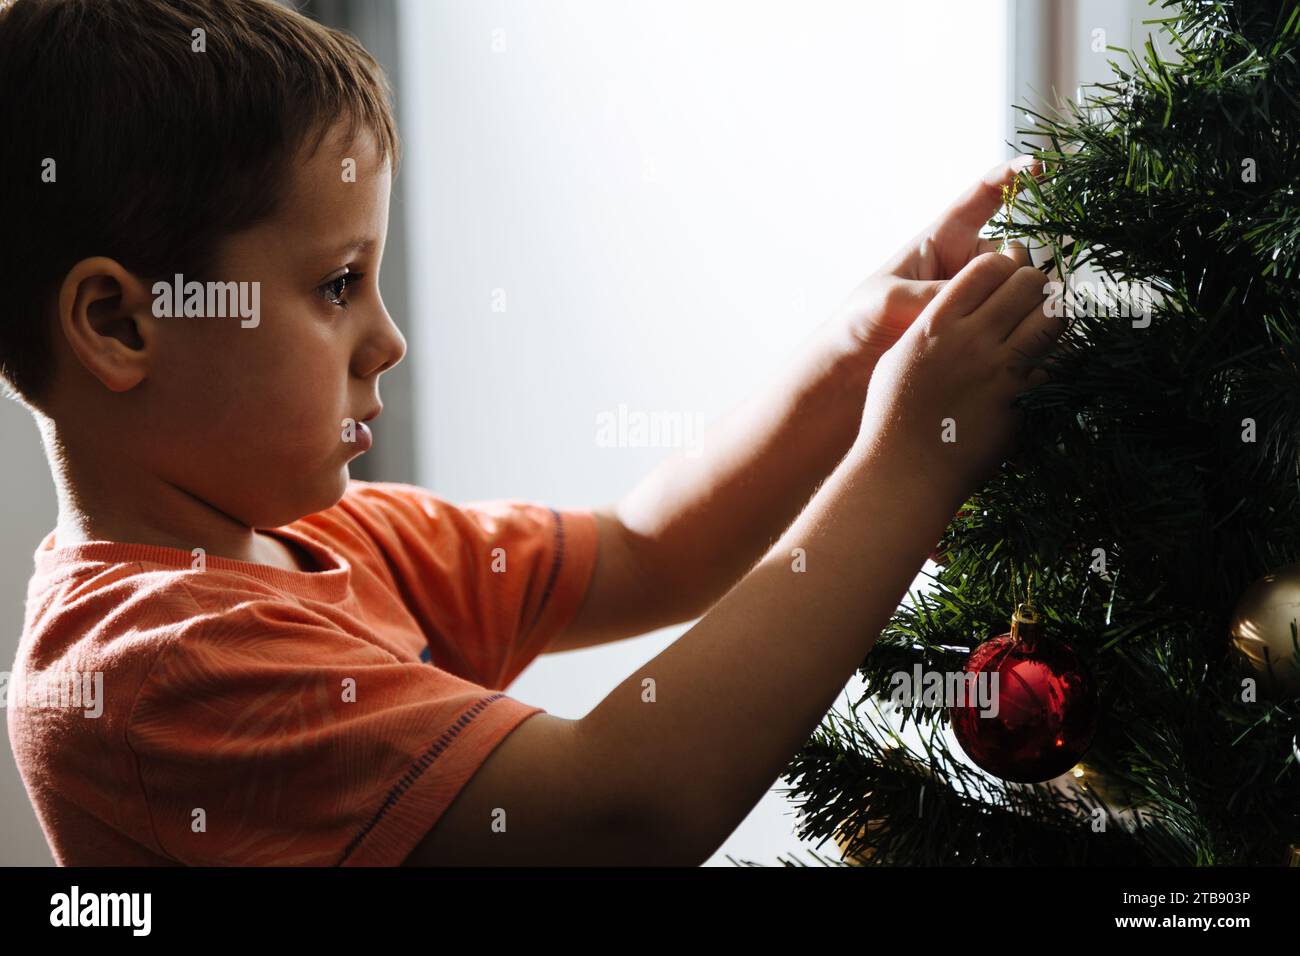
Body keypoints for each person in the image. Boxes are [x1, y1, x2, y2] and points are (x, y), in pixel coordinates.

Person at [0, 0, 1064, 865]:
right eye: (335, 285)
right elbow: (622, 811)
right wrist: (911, 459)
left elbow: (644, 550)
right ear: (121, 323)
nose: (390, 339)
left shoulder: (341, 535)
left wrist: (856, 352)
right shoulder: (154, 675)